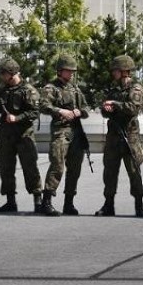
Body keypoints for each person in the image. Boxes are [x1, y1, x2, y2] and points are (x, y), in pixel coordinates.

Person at [0, 57, 43, 213]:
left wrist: (16, 118)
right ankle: (11, 201)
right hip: (6, 136)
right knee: (6, 169)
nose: (1, 77)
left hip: (24, 135)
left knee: (30, 167)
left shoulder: (28, 90)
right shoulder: (2, 90)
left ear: (11, 73)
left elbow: (34, 112)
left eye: (3, 73)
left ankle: (38, 201)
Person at [37, 54, 91, 216]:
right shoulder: (50, 88)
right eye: (69, 70)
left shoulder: (75, 89)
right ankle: (46, 201)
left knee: (75, 169)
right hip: (61, 132)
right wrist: (60, 111)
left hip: (76, 133)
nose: (72, 73)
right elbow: (44, 105)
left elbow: (87, 108)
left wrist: (78, 112)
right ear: (60, 71)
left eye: (73, 71)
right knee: (57, 165)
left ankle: (69, 203)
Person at [96, 54, 143, 218]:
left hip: (129, 137)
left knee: (134, 171)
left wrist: (115, 105)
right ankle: (108, 204)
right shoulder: (113, 90)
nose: (113, 73)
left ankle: (139, 205)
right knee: (109, 172)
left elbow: (133, 108)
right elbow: (104, 109)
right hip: (113, 136)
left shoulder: (136, 89)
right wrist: (106, 108)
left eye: (116, 70)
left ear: (124, 71)